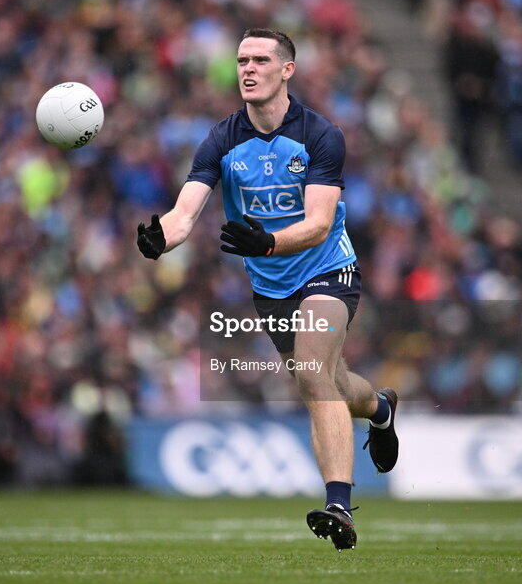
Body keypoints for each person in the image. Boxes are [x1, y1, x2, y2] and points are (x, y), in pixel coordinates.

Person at [136, 28, 399, 551]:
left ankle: (340, 505)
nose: (247, 69)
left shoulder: (322, 135)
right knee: (330, 382)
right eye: (241, 61)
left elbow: (321, 224)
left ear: (287, 70)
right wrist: (158, 237)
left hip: (327, 270)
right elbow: (186, 212)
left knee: (311, 374)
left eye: (260, 60)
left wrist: (267, 242)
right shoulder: (220, 139)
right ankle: (381, 409)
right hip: (271, 285)